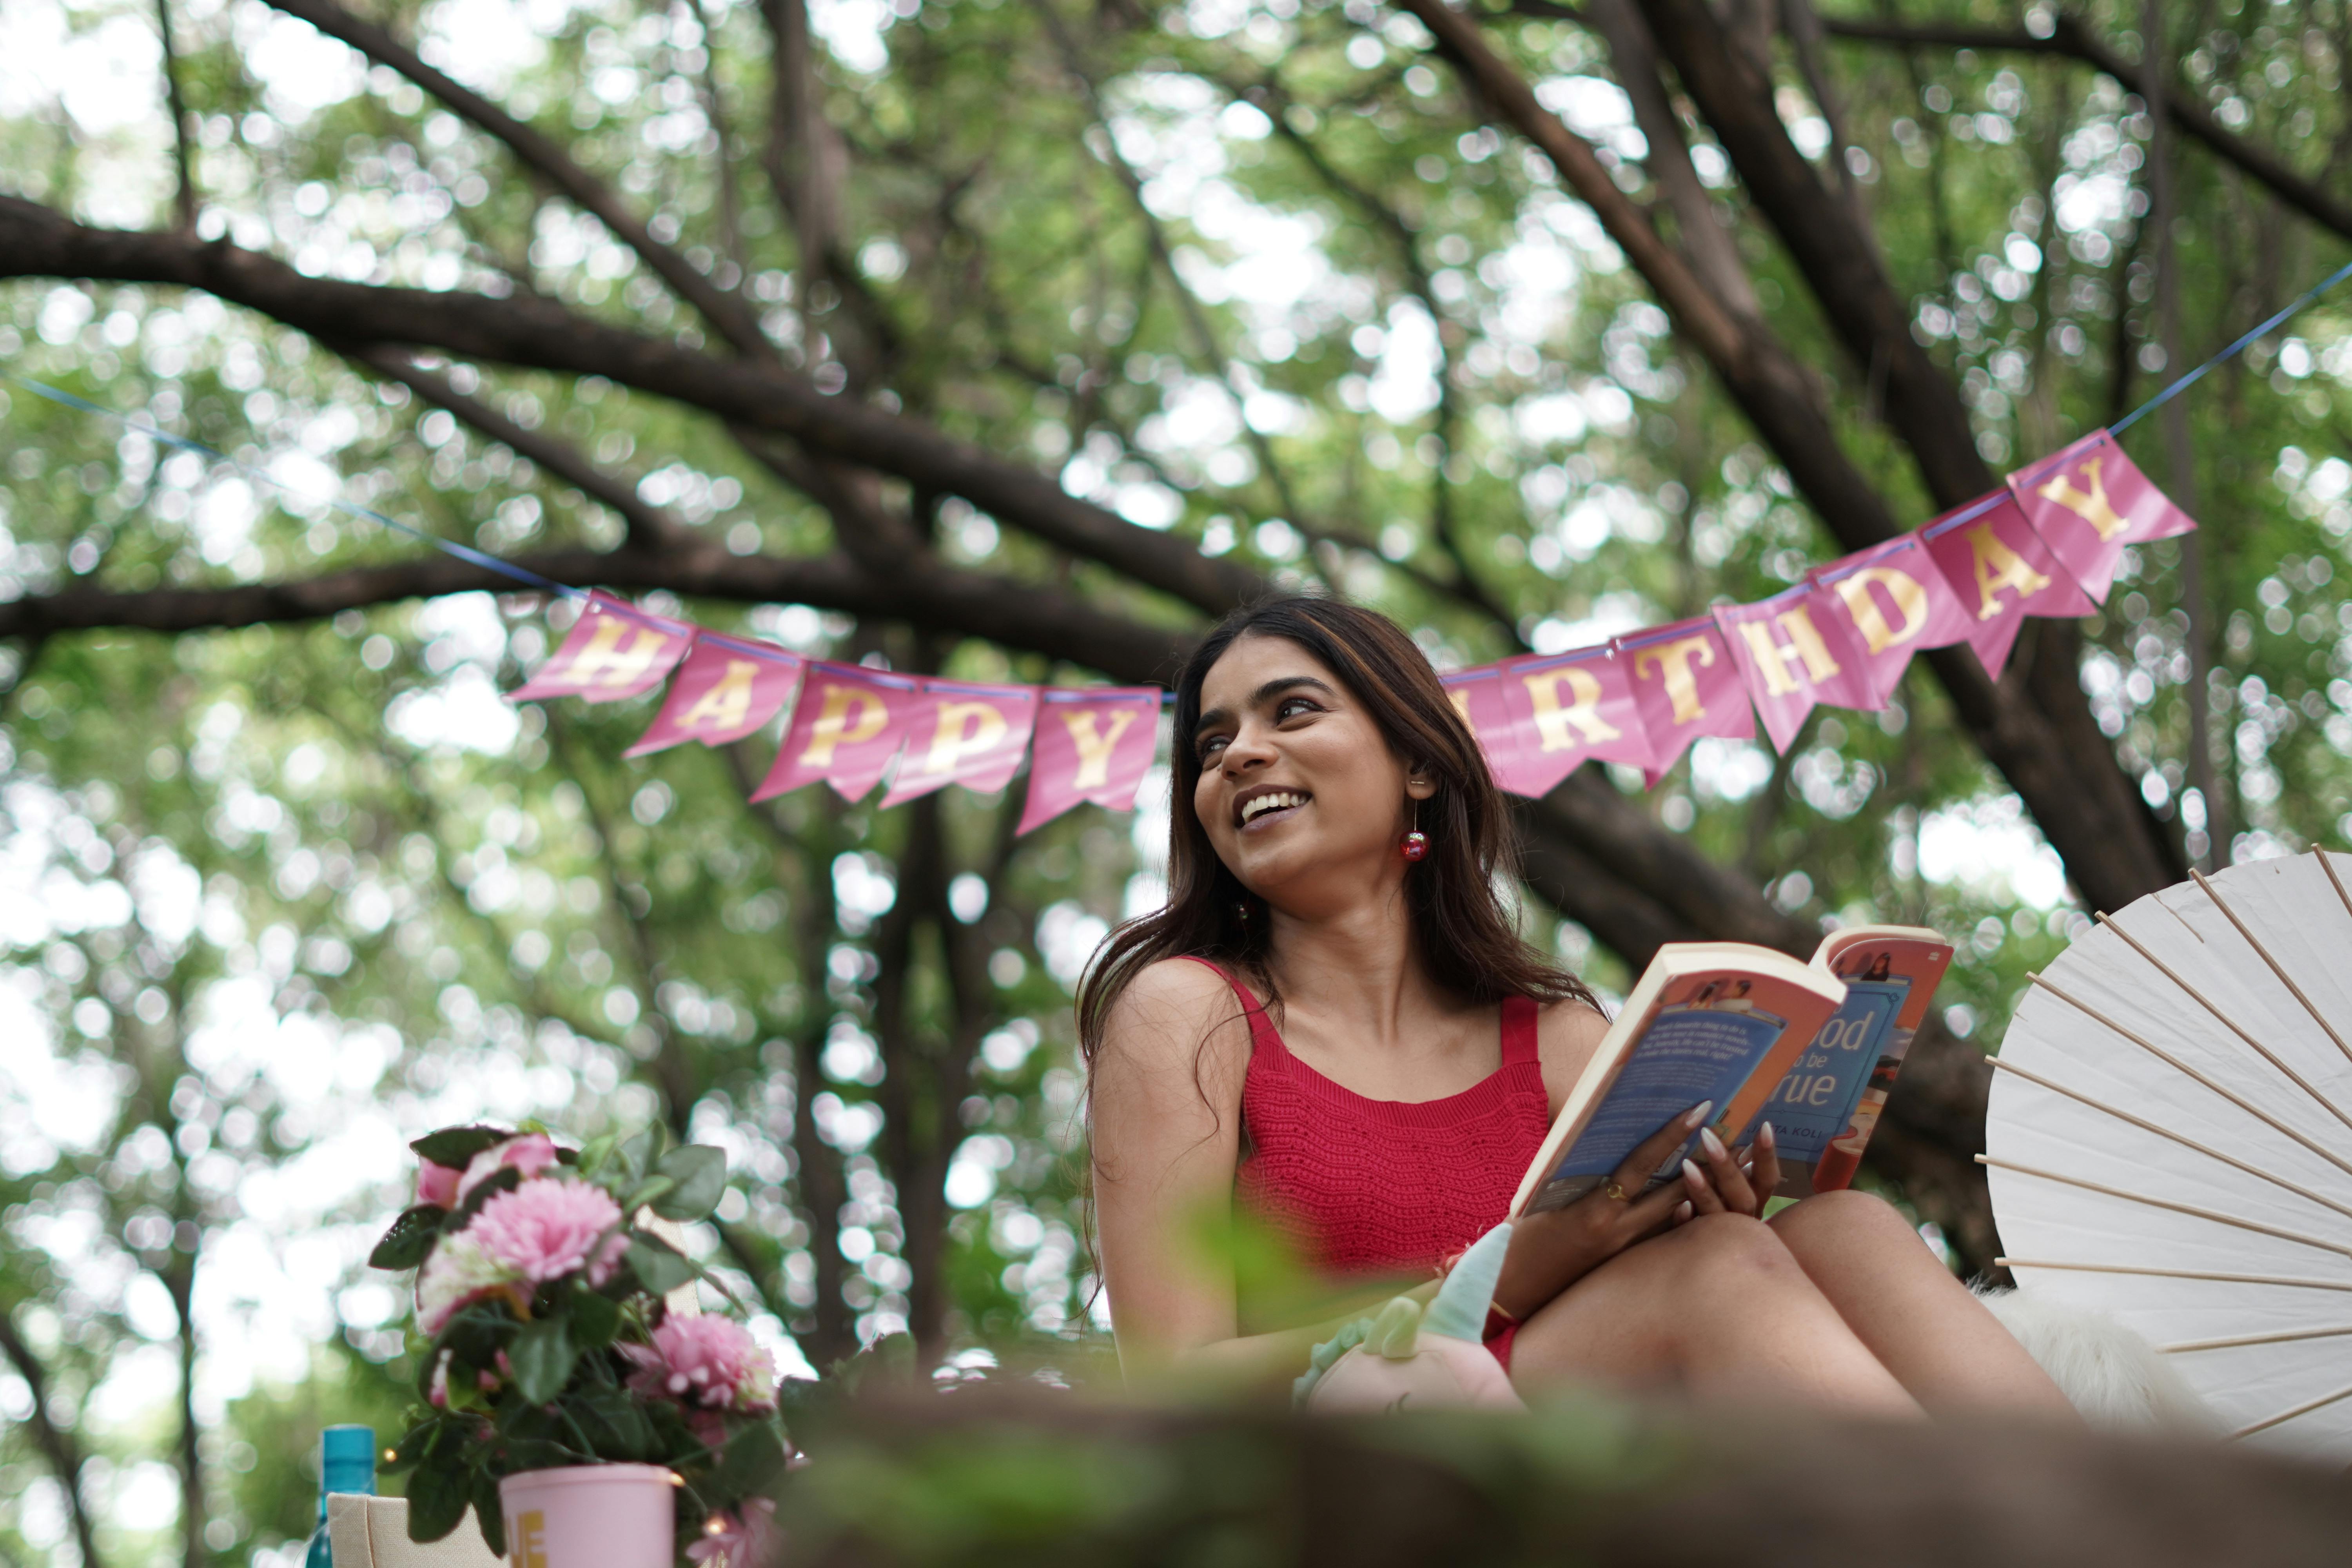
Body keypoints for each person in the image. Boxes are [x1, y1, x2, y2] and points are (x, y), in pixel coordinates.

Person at [1080, 598, 2074, 1419]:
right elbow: (1172, 1388)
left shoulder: (1554, 1035)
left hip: (1585, 1423)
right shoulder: (1185, 1013)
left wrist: (1700, 1200)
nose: (1238, 755)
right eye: (1212, 743)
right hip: (1346, 1467)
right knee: (1716, 1269)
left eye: (1291, 712)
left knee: (1842, 1227)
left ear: (1417, 762)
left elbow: (1648, 1270)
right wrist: (1501, 1277)